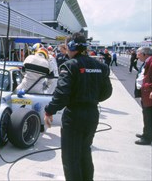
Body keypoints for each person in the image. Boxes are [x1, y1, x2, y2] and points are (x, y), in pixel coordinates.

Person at [44, 32, 112, 180]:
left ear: (71, 46)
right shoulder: (100, 66)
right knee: (85, 152)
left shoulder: (69, 65)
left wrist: (49, 111)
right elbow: (107, 92)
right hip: (92, 114)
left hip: (74, 116)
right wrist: (91, 98)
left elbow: (61, 94)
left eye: (67, 47)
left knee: (71, 157)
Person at [135, 46, 152, 145]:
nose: (137, 56)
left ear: (145, 54)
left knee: (148, 116)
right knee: (146, 115)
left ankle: (147, 138)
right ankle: (146, 133)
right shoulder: (147, 62)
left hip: (149, 94)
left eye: (139, 54)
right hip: (145, 93)